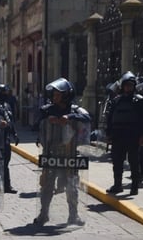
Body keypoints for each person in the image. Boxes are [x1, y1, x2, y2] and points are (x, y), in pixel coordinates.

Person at [34, 77, 90, 226]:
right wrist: (49, 118)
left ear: (66, 95)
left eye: (58, 94)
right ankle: (43, 214)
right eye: (54, 94)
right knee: (47, 185)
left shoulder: (75, 110)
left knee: (71, 186)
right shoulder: (48, 109)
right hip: (50, 153)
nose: (54, 97)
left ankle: (73, 215)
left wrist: (69, 117)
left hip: (69, 153)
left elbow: (86, 117)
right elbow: (37, 121)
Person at [105, 71, 143, 196]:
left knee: (134, 161)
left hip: (133, 136)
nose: (128, 88)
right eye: (126, 85)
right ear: (123, 86)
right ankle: (117, 185)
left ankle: (135, 186)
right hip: (118, 135)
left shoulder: (139, 101)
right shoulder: (116, 101)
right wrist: (108, 134)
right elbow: (110, 118)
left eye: (130, 85)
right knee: (117, 162)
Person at [0, 84, 20, 194]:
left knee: (5, 163)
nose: (5, 95)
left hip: (5, 138)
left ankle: (7, 186)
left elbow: (10, 121)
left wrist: (14, 133)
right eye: (3, 93)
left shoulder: (7, 105)